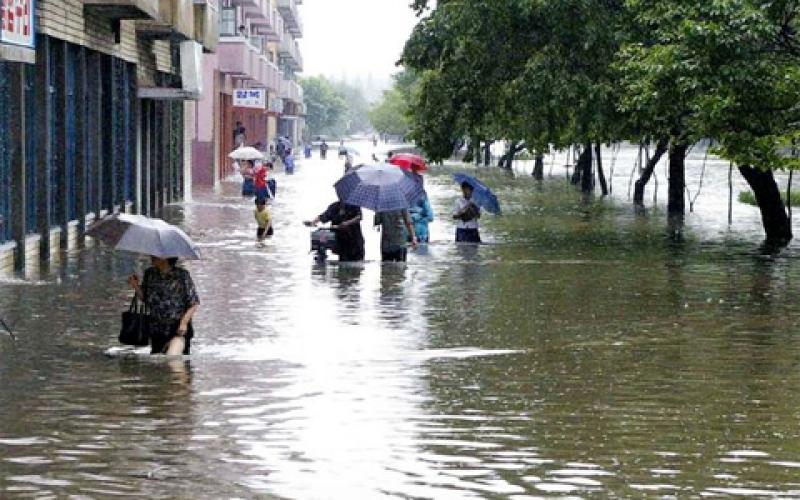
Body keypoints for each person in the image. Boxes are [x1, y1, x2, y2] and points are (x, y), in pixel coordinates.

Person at [127, 257, 200, 355]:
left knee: (172, 358)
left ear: (165, 258)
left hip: (178, 329)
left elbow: (194, 302)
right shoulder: (150, 273)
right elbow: (146, 298)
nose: (151, 257)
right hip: (156, 330)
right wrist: (135, 285)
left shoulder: (182, 275)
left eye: (155, 256)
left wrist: (184, 323)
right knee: (159, 366)